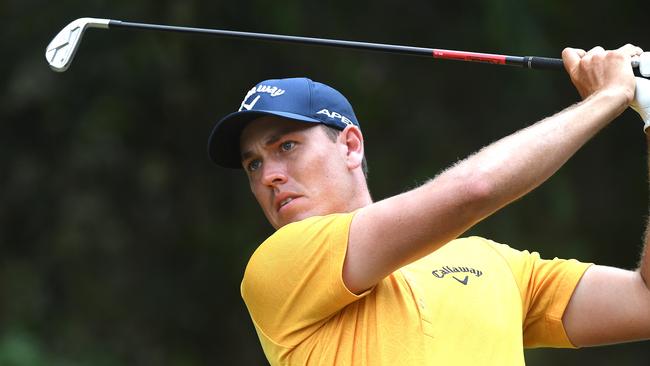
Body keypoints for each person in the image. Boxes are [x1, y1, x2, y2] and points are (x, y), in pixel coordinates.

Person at [207, 45, 650, 365]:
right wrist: (607, 98)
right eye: (253, 164)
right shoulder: (278, 266)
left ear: (350, 146)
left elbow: (643, 302)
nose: (269, 175)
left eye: (286, 146)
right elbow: (473, 189)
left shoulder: (492, 262)